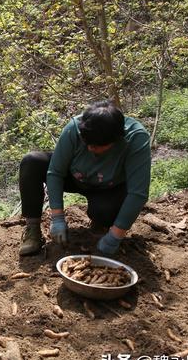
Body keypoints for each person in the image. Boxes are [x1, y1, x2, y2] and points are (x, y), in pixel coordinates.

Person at [18, 100, 151, 256]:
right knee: (31, 162)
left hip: (108, 187)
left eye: (95, 146)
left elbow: (138, 193)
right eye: (87, 143)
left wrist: (116, 235)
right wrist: (57, 217)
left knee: (105, 211)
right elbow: (55, 172)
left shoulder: (136, 139)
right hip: (74, 176)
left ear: (115, 140)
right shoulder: (75, 128)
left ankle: (101, 225)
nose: (89, 148)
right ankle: (32, 229)